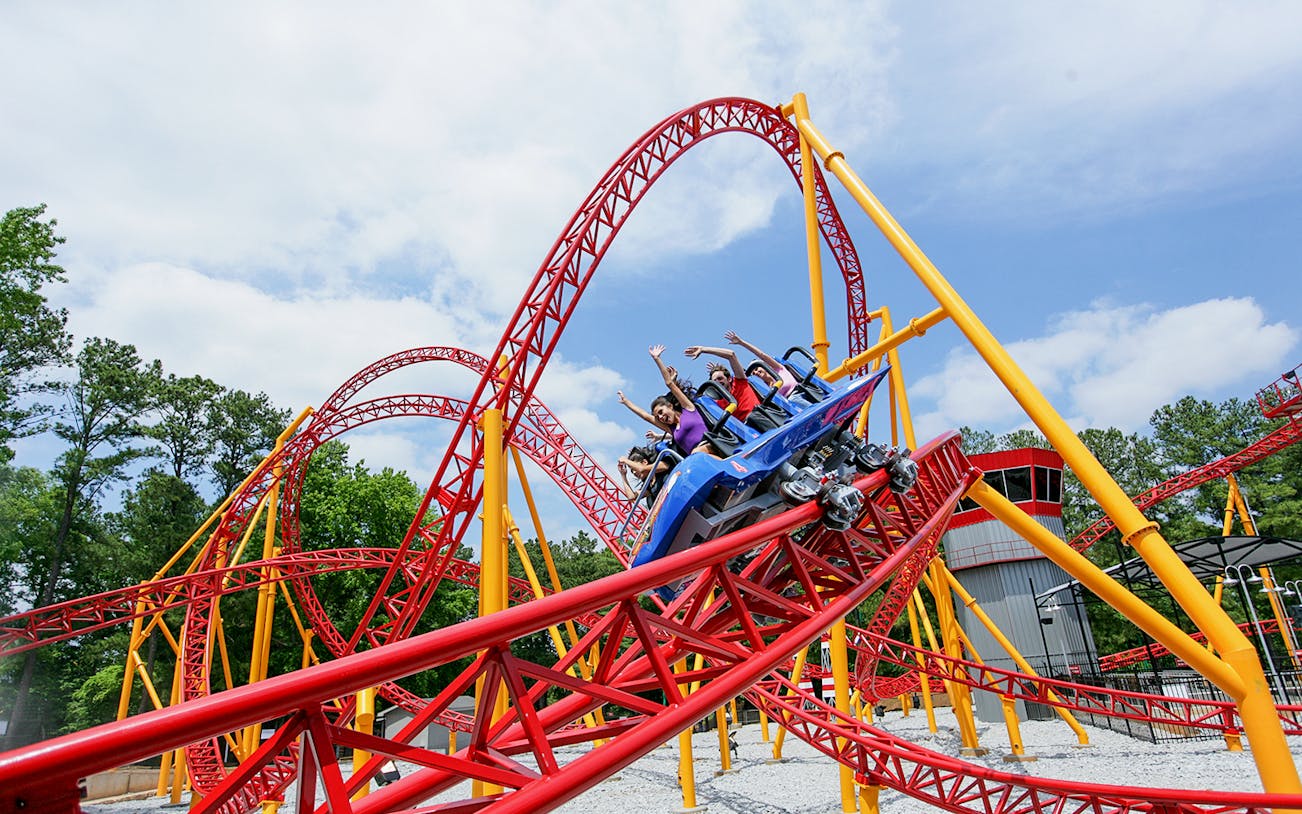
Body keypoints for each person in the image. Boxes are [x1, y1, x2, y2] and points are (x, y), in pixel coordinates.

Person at [616, 344, 712, 457]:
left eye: (661, 412)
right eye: (658, 417)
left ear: (670, 406)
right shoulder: (672, 429)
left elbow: (669, 383)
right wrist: (627, 402)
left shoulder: (688, 409)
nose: (660, 417)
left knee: (696, 455)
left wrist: (657, 359)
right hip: (697, 459)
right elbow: (645, 416)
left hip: (710, 447)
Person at [683, 343, 761, 421]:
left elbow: (731, 355)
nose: (718, 382)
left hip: (759, 416)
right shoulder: (718, 403)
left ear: (729, 379)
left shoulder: (740, 383)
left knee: (753, 417)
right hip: (745, 429)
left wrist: (703, 349)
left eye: (720, 378)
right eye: (715, 381)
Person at [724, 330, 800, 398]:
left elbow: (761, 355)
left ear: (764, 366)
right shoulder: (766, 389)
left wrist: (742, 343)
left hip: (797, 393)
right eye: (754, 373)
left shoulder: (777, 369)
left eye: (756, 369)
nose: (756, 372)